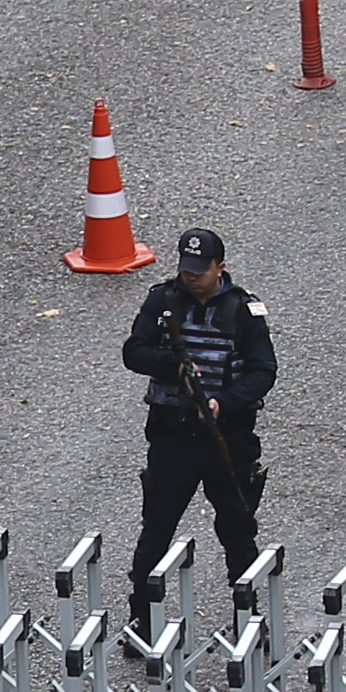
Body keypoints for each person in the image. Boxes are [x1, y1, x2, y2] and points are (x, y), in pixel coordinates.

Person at [117, 227, 278, 620]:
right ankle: (142, 621)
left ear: (219, 267)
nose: (191, 276)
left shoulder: (244, 310)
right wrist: (174, 366)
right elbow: (134, 352)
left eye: (200, 269)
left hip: (227, 434)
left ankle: (248, 620)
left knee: (238, 530)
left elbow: (263, 371)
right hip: (174, 433)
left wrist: (224, 403)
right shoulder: (163, 300)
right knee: (157, 528)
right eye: (186, 268)